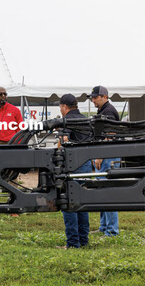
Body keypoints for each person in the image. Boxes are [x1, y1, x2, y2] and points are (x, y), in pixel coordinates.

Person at [57, 94, 93, 249]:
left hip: (71, 165)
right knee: (81, 203)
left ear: (64, 106)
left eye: (60, 107)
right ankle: (83, 240)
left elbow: (64, 143)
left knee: (69, 204)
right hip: (85, 165)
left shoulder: (66, 121)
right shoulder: (86, 120)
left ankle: (72, 243)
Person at [89, 85, 120, 237]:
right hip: (105, 154)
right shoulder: (103, 110)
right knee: (102, 191)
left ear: (104, 97)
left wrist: (100, 156)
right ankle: (104, 227)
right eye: (92, 97)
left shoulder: (108, 111)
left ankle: (112, 231)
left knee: (108, 192)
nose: (93, 100)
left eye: (95, 97)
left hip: (109, 155)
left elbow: (111, 134)